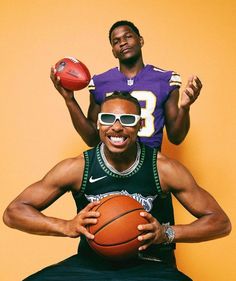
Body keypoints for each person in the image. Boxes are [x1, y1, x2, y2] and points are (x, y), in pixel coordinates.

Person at [3, 92, 231, 281]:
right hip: (89, 266)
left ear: (140, 125)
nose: (117, 127)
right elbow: (14, 212)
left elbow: (220, 222)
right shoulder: (78, 168)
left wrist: (166, 232)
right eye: (108, 119)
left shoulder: (163, 169)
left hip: (150, 267)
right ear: (99, 123)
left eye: (128, 120)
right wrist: (66, 226)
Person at [50, 20, 202, 149]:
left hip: (150, 165)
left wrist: (185, 108)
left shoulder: (165, 79)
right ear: (113, 52)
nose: (122, 43)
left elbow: (176, 138)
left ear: (141, 41)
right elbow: (92, 139)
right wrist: (70, 100)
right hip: (111, 166)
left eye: (128, 37)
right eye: (116, 41)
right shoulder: (100, 82)